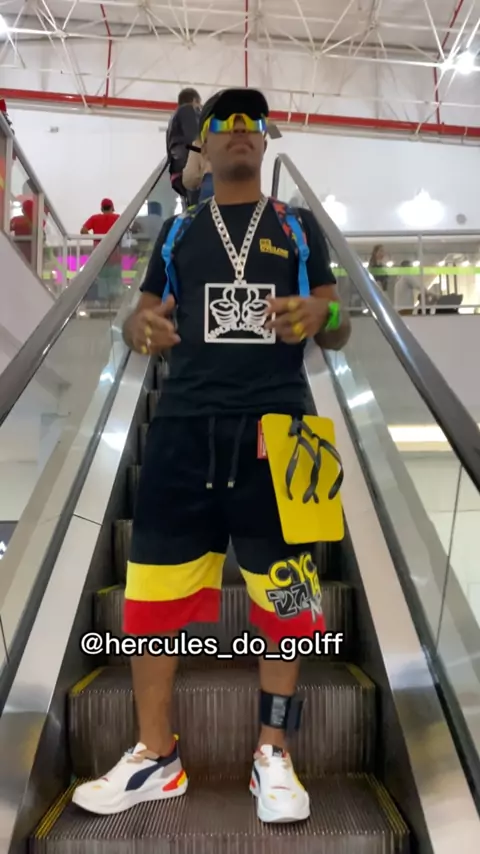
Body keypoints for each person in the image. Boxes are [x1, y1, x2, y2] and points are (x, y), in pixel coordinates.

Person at [72, 87, 351, 823]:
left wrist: (321, 311)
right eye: (224, 121)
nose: (238, 130)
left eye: (251, 121)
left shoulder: (297, 226)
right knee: (149, 601)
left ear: (266, 139)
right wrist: (137, 329)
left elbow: (338, 321)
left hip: (281, 434)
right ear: (205, 143)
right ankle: (155, 756)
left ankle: (273, 754)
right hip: (182, 432)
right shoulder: (178, 231)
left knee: (289, 602)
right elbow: (140, 313)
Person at [81, 199, 121, 303]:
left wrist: (95, 239)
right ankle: (115, 303)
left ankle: (104, 304)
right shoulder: (117, 218)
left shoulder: (95, 218)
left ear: (102, 209)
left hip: (100, 255)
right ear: (112, 208)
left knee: (102, 282)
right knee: (115, 282)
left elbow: (83, 230)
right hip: (115, 254)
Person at [166, 88, 202, 203]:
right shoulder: (187, 110)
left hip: (177, 171)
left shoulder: (173, 119)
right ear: (194, 100)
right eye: (199, 104)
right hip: (187, 169)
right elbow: (194, 138)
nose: (199, 108)